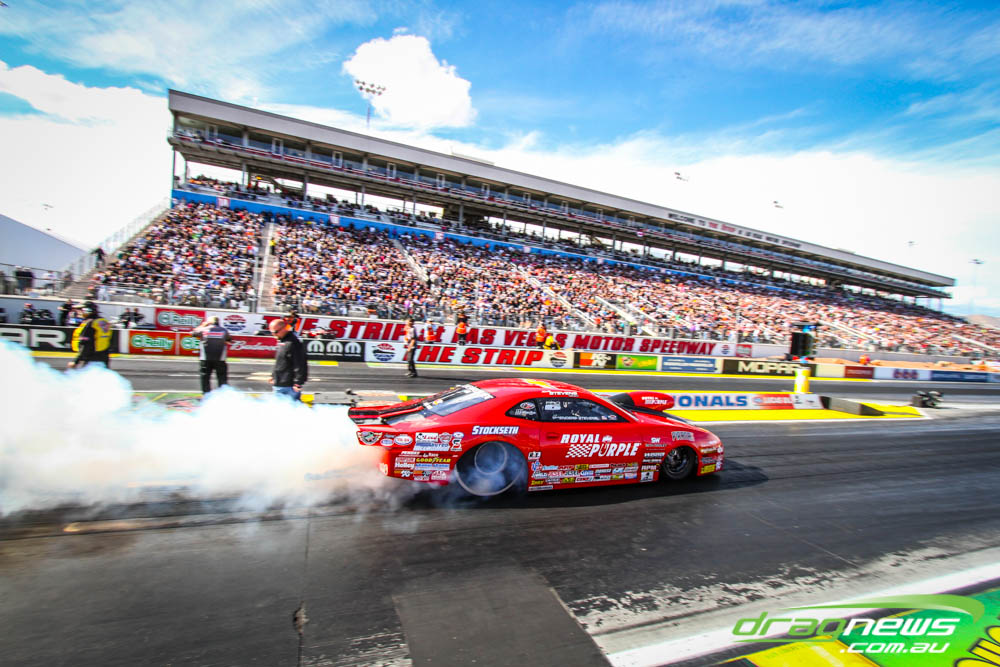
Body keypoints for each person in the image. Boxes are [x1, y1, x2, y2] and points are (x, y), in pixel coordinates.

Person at [268, 318, 307, 400]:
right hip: (279, 383)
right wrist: (273, 375)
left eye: (275, 332)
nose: (274, 334)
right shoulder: (282, 341)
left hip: (289, 386)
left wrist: (298, 382)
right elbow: (280, 362)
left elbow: (300, 363)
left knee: (291, 406)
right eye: (272, 332)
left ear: (284, 329)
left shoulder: (293, 343)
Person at [193, 316, 232, 394]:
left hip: (205, 359)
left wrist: (203, 325)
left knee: (205, 378)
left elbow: (193, 333)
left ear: (209, 322)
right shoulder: (224, 330)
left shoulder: (203, 329)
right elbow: (229, 340)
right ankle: (224, 395)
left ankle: (206, 395)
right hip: (220, 359)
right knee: (222, 378)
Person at [69, 301, 112, 369]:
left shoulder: (90, 323)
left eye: (81, 309)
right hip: (104, 358)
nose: (79, 312)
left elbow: (86, 344)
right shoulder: (104, 321)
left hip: (91, 358)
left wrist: (76, 361)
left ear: (87, 310)